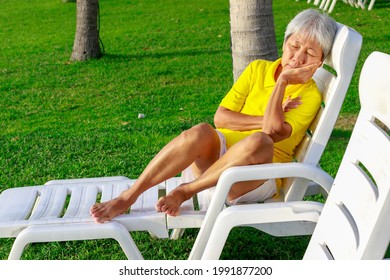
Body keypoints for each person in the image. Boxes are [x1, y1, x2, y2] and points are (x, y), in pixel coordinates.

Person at [90, 9, 338, 223]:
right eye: (295, 46)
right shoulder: (257, 69)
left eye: (310, 53)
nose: (298, 57)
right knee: (201, 131)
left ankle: (186, 191)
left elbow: (272, 133)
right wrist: (267, 116)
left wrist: (283, 81)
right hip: (218, 162)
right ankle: (127, 197)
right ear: (285, 43)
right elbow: (221, 118)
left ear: (318, 64)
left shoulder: (309, 95)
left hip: (256, 176)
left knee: (259, 141)